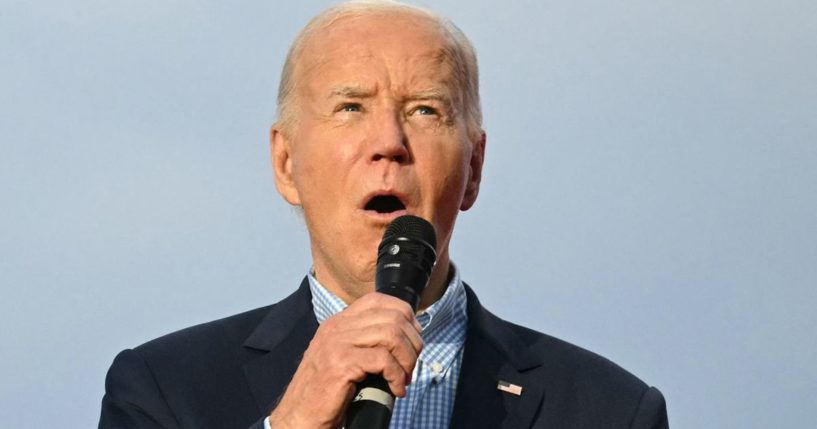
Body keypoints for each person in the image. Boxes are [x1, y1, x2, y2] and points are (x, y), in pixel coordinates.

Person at [98, 1, 669, 428]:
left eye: (425, 110)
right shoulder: (163, 391)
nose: (389, 142)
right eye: (350, 108)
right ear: (286, 161)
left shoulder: (609, 410)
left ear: (474, 168)